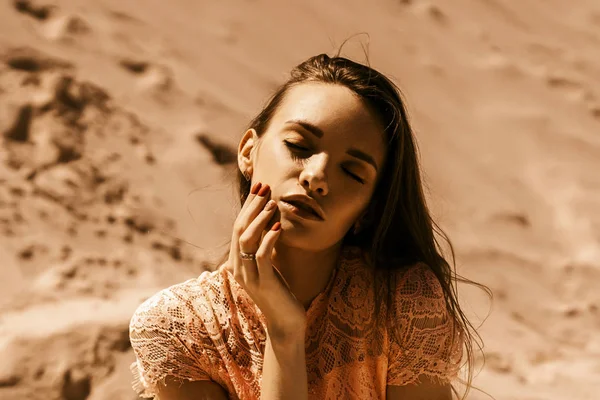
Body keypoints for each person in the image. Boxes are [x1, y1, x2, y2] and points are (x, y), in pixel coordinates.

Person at [128, 52, 485, 400]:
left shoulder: (403, 305)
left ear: (371, 208)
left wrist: (287, 331)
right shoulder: (175, 329)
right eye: (298, 146)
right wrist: (283, 332)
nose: (316, 177)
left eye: (352, 172)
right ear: (248, 152)